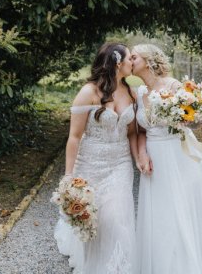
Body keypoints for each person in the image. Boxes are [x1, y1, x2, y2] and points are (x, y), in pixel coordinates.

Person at [131, 43, 202, 274]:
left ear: (148, 60)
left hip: (179, 155)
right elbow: (141, 130)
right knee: (159, 217)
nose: (129, 60)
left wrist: (189, 118)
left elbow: (197, 121)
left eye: (134, 57)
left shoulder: (174, 86)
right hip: (154, 159)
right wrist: (142, 154)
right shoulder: (140, 93)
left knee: (179, 213)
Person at [54, 42, 139, 273]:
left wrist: (139, 158)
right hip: (90, 163)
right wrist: (69, 176)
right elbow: (74, 137)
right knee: (96, 220)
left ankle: (118, 268)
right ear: (117, 62)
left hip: (120, 163)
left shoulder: (131, 92)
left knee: (117, 218)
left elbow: (131, 133)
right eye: (131, 58)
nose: (134, 62)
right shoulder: (89, 93)